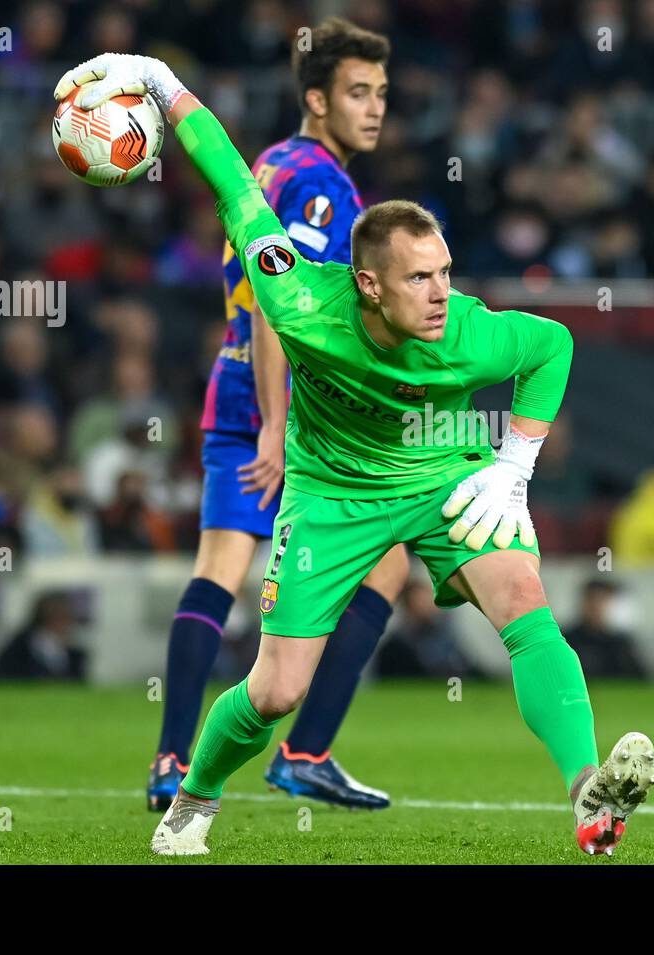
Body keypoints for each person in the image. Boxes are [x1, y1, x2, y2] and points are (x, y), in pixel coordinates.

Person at [53, 51, 654, 858]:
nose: (443, 293)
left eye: (445, 273)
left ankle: (587, 792)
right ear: (368, 285)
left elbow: (553, 344)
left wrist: (514, 466)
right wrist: (162, 84)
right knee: (274, 691)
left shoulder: (470, 332)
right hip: (330, 497)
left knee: (523, 602)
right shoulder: (301, 301)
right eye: (420, 279)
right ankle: (192, 800)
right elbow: (234, 187)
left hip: (443, 474)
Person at [142, 18, 408, 813]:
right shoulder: (323, 185)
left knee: (220, 566)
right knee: (389, 562)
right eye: (359, 93)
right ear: (317, 98)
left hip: (229, 382)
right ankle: (303, 751)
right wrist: (275, 420)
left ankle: (170, 761)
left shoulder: (272, 161)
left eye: (383, 94)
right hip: (285, 400)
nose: (375, 109)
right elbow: (274, 299)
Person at [562, 579, 645, 679]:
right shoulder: (566, 640)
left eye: (601, 601)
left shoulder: (620, 644)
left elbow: (640, 679)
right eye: (592, 600)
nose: (596, 606)